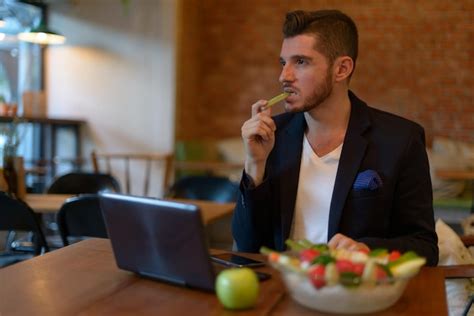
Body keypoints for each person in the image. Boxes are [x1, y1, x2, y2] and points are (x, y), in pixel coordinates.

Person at [232, 9, 438, 266]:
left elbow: (425, 249)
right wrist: (255, 164)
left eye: (301, 62)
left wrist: (367, 250)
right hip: (284, 290)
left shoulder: (401, 140)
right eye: (284, 63)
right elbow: (247, 246)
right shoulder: (273, 136)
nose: (284, 76)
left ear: (341, 69)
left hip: (356, 295)